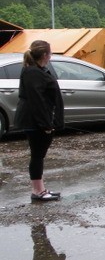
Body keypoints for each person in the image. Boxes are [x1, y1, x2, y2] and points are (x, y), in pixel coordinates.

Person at [16, 40, 64, 202]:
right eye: (50, 53)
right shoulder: (33, 73)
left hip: (36, 120)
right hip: (34, 121)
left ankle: (40, 189)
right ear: (45, 55)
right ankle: (37, 191)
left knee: (38, 155)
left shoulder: (36, 70)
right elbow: (37, 101)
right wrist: (46, 124)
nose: (50, 56)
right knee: (37, 155)